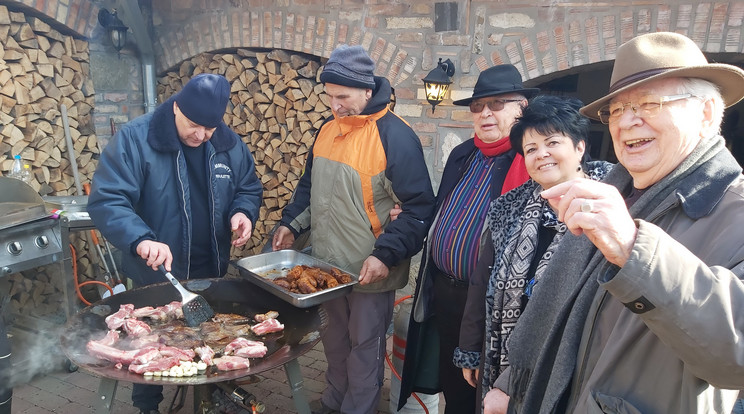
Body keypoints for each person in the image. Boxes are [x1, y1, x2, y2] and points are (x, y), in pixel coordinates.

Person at [486, 32, 744, 414]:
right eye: (616, 111)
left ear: (705, 112)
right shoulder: (617, 189)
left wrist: (633, 248)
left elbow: (735, 355)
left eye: (648, 103)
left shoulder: (734, 210)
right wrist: (512, 382)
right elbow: (559, 305)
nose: (626, 123)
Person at [272, 44, 435, 414]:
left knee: (365, 346)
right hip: (327, 266)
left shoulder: (397, 137)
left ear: (366, 90)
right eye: (329, 96)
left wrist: (385, 255)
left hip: (368, 270)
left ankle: (357, 409)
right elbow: (309, 189)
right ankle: (333, 401)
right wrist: (289, 225)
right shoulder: (327, 130)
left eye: (342, 96)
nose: (334, 105)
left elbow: (418, 207)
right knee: (333, 341)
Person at [88, 73, 263, 414]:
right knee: (148, 341)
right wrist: (140, 239)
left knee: (210, 335)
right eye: (194, 125)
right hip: (156, 270)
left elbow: (248, 187)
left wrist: (243, 211)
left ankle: (214, 394)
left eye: (209, 129)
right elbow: (108, 199)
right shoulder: (137, 139)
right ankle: (148, 405)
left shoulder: (228, 144)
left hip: (210, 266)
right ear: (177, 108)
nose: (201, 135)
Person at [454, 95, 612, 410]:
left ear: (579, 146)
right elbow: (481, 281)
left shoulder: (613, 207)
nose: (541, 155)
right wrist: (470, 349)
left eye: (552, 142)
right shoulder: (507, 209)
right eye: (531, 149)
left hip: (573, 368)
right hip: (501, 360)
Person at [398, 64, 537, 414]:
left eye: (496, 104)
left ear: (522, 108)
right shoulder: (463, 154)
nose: (485, 113)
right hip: (445, 293)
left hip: (493, 305)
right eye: (478, 106)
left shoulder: (531, 160)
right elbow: (444, 206)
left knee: (486, 392)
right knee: (453, 384)